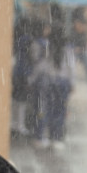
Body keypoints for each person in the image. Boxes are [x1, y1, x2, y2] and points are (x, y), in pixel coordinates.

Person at [29, 17, 74, 150]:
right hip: (63, 83)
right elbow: (71, 67)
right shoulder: (68, 48)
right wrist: (72, 83)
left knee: (44, 108)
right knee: (60, 110)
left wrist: (32, 78)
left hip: (49, 82)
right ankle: (56, 138)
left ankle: (41, 137)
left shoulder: (48, 46)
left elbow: (42, 65)